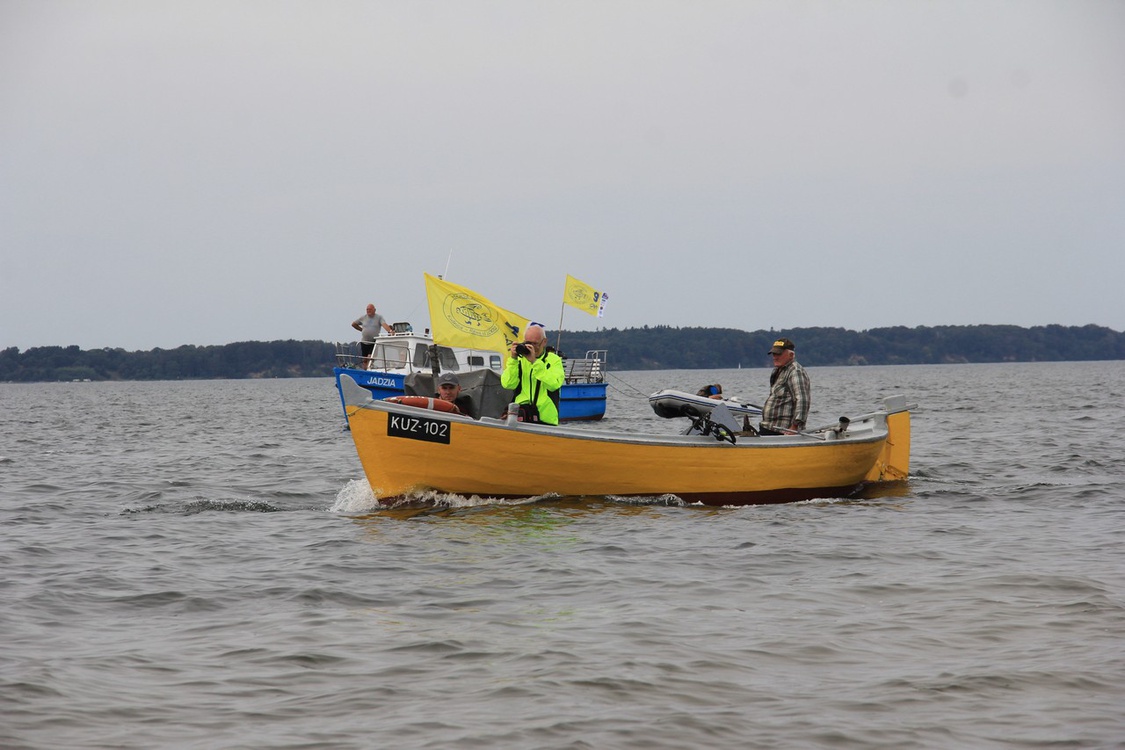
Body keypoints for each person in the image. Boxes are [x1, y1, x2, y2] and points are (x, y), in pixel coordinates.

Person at [501, 323, 565, 425]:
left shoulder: (554, 360)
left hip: (546, 418)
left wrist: (535, 362)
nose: (531, 347)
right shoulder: (519, 360)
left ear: (544, 342)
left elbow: (554, 384)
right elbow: (508, 384)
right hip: (522, 416)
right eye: (527, 343)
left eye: (535, 343)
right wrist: (513, 359)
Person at [760, 338, 811, 435]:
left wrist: (794, 427)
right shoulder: (778, 370)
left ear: (791, 355)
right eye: (774, 354)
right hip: (770, 428)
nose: (775, 357)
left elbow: (802, 400)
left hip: (782, 431)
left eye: (778, 354)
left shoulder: (795, 371)